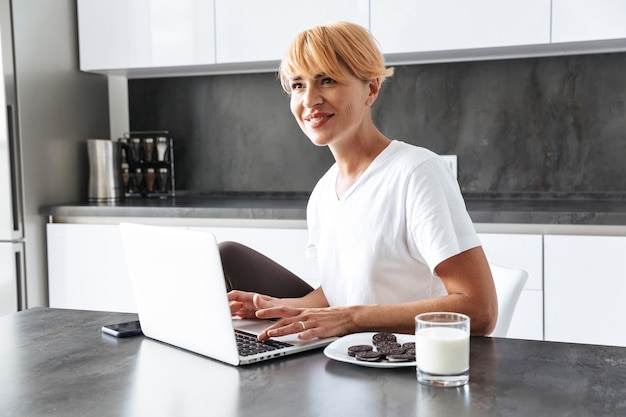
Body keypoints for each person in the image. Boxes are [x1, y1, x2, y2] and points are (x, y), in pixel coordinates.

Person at [223, 21, 498, 340]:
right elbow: (341, 293)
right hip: (347, 362)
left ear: (371, 89)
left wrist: (353, 318)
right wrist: (285, 307)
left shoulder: (416, 173)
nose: (309, 100)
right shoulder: (324, 193)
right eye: (298, 85)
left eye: (326, 80)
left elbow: (480, 310)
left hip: (409, 368)